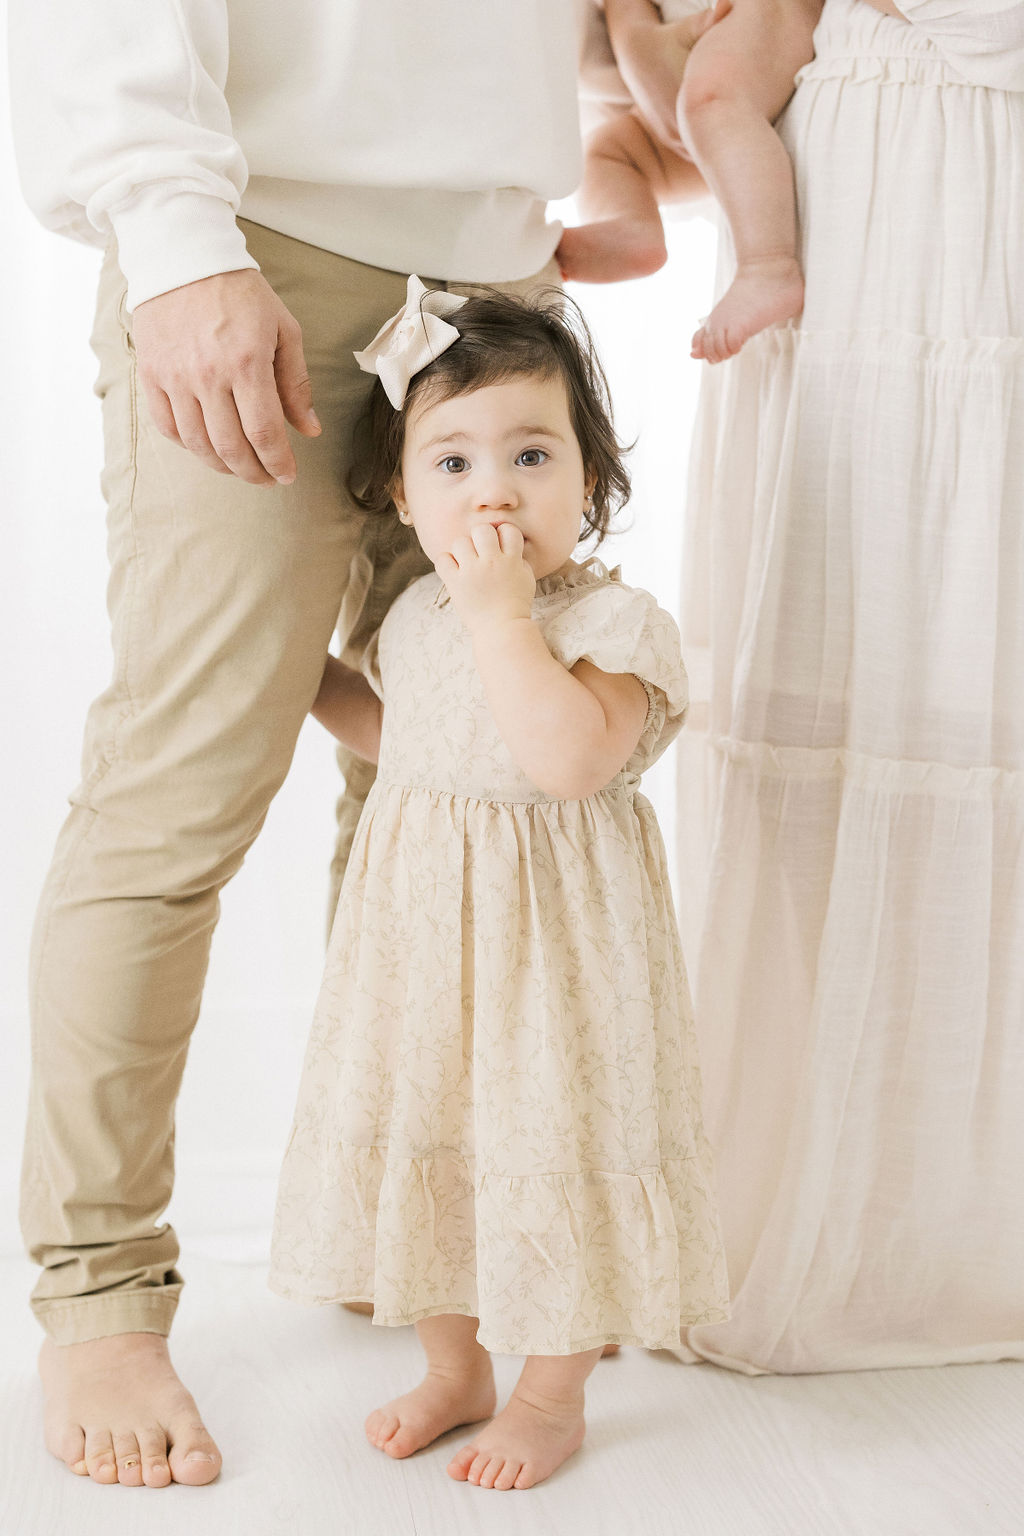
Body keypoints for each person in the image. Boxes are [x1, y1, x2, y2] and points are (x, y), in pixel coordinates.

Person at [8, 0, 589, 1489]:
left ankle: (395, 1223)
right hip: (260, 238)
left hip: (502, 267)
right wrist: (174, 231)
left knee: (454, 784)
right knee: (184, 784)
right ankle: (99, 1299)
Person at [267, 283, 730, 1492]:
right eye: (454, 460)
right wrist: (301, 679)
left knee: (554, 1143)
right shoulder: (419, 609)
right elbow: (409, 735)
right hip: (428, 945)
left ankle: (547, 1393)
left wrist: (503, 620)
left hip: (556, 967)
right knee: (437, 1132)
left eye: (532, 453)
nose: (494, 490)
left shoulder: (609, 622)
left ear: (590, 479)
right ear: (401, 495)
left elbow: (566, 758)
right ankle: (454, 1365)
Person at [674, 0, 1024, 1374]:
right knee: (861, 652)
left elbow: (716, 83)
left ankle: (951, 1206)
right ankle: (851, 1185)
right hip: (880, 234)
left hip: (938, 227)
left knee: (954, 655)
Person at [559, 0, 823, 362]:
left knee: (713, 99)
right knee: (606, 152)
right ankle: (630, 226)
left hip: (752, 31)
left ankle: (767, 266)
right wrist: (640, 39)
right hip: (676, 88)